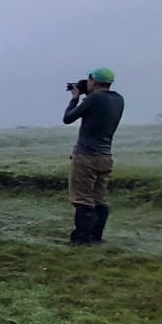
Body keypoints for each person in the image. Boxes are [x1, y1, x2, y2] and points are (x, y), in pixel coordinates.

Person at [62, 67, 124, 244]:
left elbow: (68, 118)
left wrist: (75, 98)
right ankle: (96, 237)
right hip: (105, 157)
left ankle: (81, 239)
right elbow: (97, 109)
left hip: (86, 156)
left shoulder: (94, 99)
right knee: (99, 199)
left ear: (94, 81)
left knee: (83, 199)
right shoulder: (118, 99)